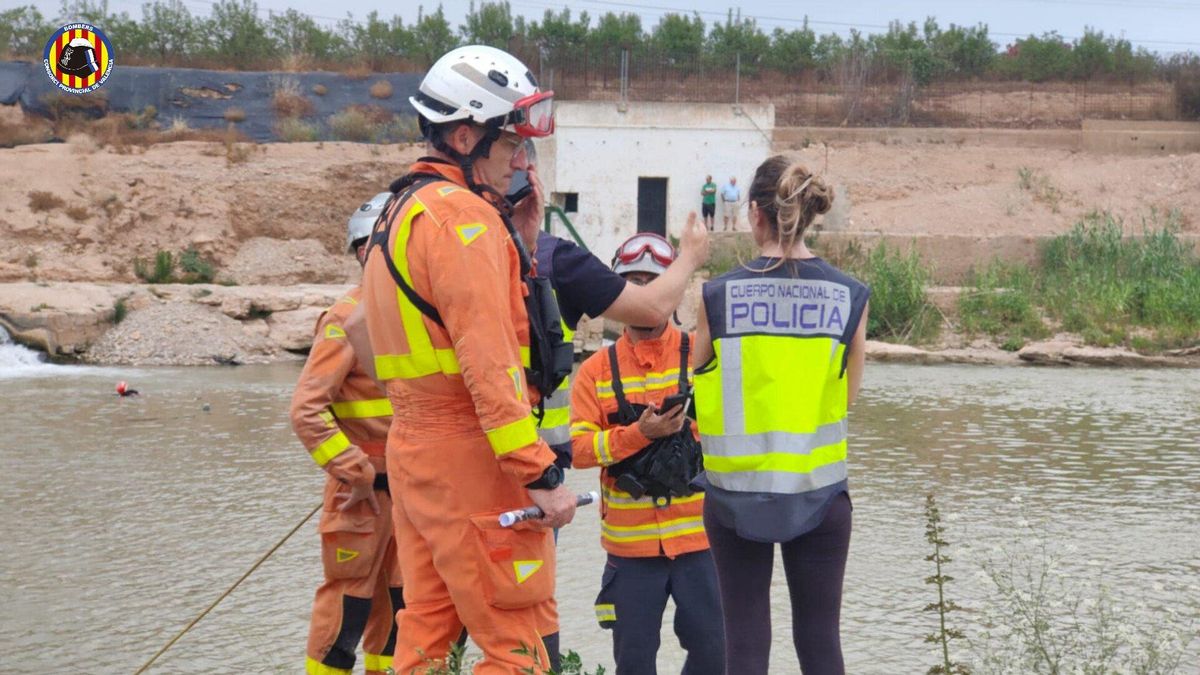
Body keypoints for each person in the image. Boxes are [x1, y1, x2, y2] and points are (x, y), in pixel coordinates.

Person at [360, 45, 576, 675]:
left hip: (415, 456)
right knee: (521, 647)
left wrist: (522, 244)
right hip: (473, 459)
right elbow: (491, 369)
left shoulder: (399, 212)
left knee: (425, 636)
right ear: (465, 135)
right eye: (510, 146)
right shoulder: (464, 222)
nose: (519, 163)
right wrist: (540, 474)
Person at [692, 156, 870, 675]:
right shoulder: (849, 297)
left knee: (744, 647)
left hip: (733, 499)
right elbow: (847, 398)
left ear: (754, 213)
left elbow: (698, 384)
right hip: (819, 494)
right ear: (810, 213)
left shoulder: (717, 296)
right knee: (820, 646)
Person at [570, 232, 724, 675]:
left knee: (717, 654)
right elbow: (580, 451)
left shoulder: (700, 354)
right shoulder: (595, 372)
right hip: (631, 553)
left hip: (700, 543)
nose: (642, 295)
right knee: (634, 663)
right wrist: (638, 434)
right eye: (632, 284)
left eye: (652, 282)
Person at [290, 193, 402, 675]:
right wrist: (354, 472)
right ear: (367, 251)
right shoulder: (344, 318)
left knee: (400, 611)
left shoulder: (411, 316)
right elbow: (307, 410)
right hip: (361, 496)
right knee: (347, 611)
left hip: (408, 494)